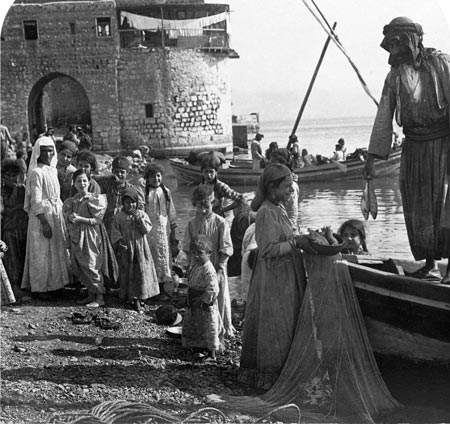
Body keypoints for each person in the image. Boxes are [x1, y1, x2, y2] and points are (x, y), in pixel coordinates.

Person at [363, 17, 450, 283]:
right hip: (413, 147)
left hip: (443, 144)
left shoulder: (440, 64)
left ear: (412, 40)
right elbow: (384, 116)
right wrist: (372, 158)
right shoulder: (394, 75)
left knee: (445, 206)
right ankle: (430, 263)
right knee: (417, 207)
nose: (393, 50)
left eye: (397, 43)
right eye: (390, 45)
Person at [238, 163, 310, 389]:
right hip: (275, 279)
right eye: (287, 186)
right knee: (277, 322)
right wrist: (295, 242)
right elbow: (268, 250)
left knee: (286, 320)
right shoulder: (267, 213)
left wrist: (301, 238)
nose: (291, 191)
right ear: (272, 189)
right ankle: (272, 374)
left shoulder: (278, 208)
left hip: (285, 275)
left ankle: (284, 368)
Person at [21, 136, 71, 299]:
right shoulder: (36, 172)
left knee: (56, 250)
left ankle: (56, 285)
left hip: (55, 213)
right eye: (44, 151)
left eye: (51, 150)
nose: (48, 154)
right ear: (38, 153)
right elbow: (35, 200)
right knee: (42, 252)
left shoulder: (53, 170)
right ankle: (41, 288)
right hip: (42, 216)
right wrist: (44, 222)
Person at [182, 186, 234, 338]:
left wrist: (220, 268)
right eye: (200, 206)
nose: (203, 210)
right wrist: (189, 267)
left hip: (216, 265)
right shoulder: (192, 224)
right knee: (199, 297)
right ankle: (201, 330)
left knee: (219, 296)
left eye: (207, 206)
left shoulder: (220, 222)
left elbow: (226, 249)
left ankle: (222, 328)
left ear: (213, 203)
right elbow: (187, 248)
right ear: (195, 205)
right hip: (198, 267)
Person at [63, 169, 118, 308]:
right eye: (78, 181)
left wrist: (80, 218)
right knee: (81, 264)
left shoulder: (94, 199)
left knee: (92, 263)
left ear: (89, 182)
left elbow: (98, 220)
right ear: (74, 183)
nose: (81, 184)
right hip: (76, 234)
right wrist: (69, 218)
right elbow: (67, 218)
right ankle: (90, 294)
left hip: (90, 235)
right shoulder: (73, 200)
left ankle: (99, 297)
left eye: (84, 181)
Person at [110, 187, 159, 313]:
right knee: (127, 271)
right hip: (127, 248)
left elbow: (146, 230)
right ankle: (130, 296)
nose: (130, 205)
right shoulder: (119, 216)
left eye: (133, 202)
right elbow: (115, 232)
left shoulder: (142, 214)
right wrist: (120, 242)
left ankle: (140, 296)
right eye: (127, 202)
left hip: (140, 247)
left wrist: (139, 220)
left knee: (141, 270)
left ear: (137, 203)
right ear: (123, 203)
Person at [182, 234, 221, 359]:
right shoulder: (196, 266)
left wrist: (203, 299)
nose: (196, 256)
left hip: (205, 305)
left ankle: (211, 352)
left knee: (209, 326)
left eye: (200, 253)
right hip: (194, 301)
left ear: (209, 253)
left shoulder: (208, 269)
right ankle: (198, 346)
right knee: (195, 324)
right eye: (194, 253)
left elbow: (214, 288)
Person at [144, 163, 177, 298]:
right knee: (152, 257)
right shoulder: (145, 193)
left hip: (163, 230)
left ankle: (164, 288)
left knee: (164, 258)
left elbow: (171, 212)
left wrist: (174, 231)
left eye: (158, 176)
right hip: (150, 231)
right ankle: (153, 288)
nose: (156, 179)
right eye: (152, 177)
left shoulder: (166, 192)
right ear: (147, 178)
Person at [1, 160, 28, 296]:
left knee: (22, 257)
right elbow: (7, 208)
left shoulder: (23, 189)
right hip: (9, 229)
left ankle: (23, 287)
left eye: (14, 175)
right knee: (12, 259)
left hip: (22, 228)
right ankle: (14, 288)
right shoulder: (3, 192)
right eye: (8, 175)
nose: (11, 178)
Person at [97, 156, 144, 235]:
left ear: (127, 173)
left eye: (122, 172)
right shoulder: (105, 185)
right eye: (116, 172)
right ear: (112, 172)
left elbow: (140, 211)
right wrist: (108, 177)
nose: (119, 174)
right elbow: (92, 180)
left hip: (125, 229)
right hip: (107, 226)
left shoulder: (132, 190)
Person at [199, 153, 245, 226]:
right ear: (202, 172)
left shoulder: (220, 186)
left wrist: (223, 210)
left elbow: (241, 199)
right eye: (206, 172)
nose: (208, 175)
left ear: (216, 172)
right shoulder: (201, 186)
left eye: (211, 172)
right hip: (204, 222)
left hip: (217, 223)